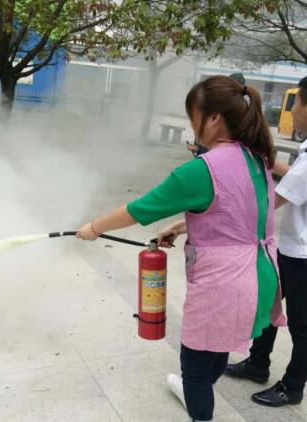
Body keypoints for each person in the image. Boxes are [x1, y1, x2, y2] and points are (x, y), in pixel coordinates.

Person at [76, 75, 286, 422]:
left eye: (194, 116)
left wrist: (94, 228)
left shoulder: (201, 170)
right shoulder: (255, 158)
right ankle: (197, 397)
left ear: (214, 117)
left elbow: (140, 209)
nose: (192, 125)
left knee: (195, 369)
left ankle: (199, 410)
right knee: (216, 349)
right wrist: (178, 226)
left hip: (225, 284)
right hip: (259, 275)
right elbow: (236, 216)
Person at [225, 75, 307, 407]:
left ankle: (293, 386)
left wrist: (216, 215)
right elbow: (294, 176)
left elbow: (271, 202)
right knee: (268, 305)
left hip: (302, 255)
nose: (294, 110)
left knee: (302, 325)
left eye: (296, 102)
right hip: (288, 247)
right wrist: (264, 158)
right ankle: (258, 364)